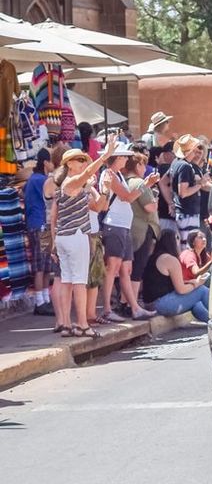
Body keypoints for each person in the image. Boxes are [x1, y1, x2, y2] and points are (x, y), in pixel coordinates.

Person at [49, 137, 119, 337]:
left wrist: (104, 189)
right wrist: (105, 156)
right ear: (69, 164)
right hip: (75, 236)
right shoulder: (71, 182)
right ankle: (81, 324)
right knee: (78, 281)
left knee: (69, 280)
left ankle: (67, 325)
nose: (83, 163)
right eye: (79, 160)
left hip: (66, 237)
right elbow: (89, 173)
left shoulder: (73, 186)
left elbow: (99, 207)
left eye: (83, 160)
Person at [99, 143, 159, 321]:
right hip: (115, 225)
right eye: (124, 156)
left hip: (122, 225)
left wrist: (146, 184)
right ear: (116, 158)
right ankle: (108, 309)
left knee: (125, 269)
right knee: (114, 268)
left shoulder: (118, 175)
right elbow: (127, 197)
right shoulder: (109, 174)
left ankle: (134, 308)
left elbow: (128, 196)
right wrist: (146, 184)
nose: (127, 159)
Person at [142, 230, 209, 321]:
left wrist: (190, 283)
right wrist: (196, 283)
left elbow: (162, 282)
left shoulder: (153, 257)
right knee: (202, 290)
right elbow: (181, 290)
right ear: (174, 241)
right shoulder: (171, 260)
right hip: (160, 304)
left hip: (148, 303)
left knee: (196, 304)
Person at [126, 152, 160, 311]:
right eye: (143, 164)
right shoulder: (140, 183)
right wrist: (155, 200)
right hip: (142, 229)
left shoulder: (124, 181)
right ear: (137, 165)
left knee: (128, 268)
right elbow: (150, 207)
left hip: (129, 228)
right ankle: (134, 306)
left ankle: (127, 303)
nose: (145, 168)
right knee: (137, 268)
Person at [26, 149, 55, 315]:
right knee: (41, 266)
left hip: (37, 224)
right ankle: (40, 302)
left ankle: (44, 300)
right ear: (45, 162)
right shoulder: (42, 180)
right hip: (40, 226)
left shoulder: (33, 179)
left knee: (44, 265)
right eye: (51, 161)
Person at [171, 135, 212, 249]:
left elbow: (165, 182)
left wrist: (171, 202)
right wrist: (200, 184)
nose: (197, 151)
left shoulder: (176, 163)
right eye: (195, 149)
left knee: (185, 246)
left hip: (184, 212)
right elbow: (183, 192)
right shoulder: (185, 166)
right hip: (187, 213)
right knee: (188, 248)